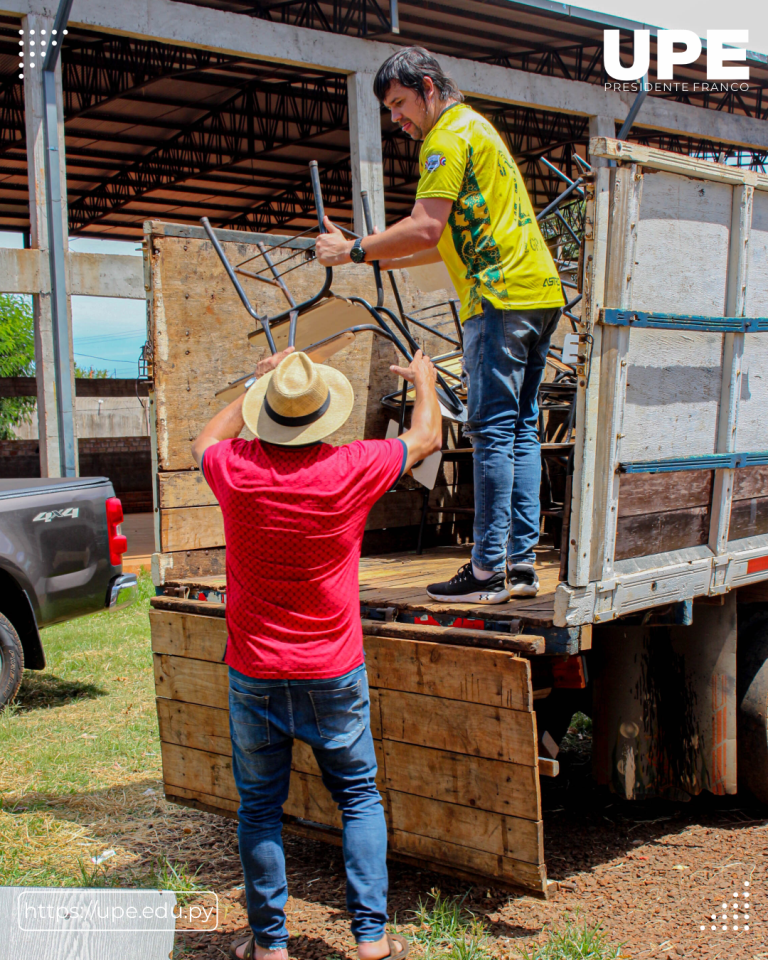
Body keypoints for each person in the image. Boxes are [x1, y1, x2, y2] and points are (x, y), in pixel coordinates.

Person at [191, 346, 441, 960]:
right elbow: (428, 436)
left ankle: (271, 948)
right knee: (358, 798)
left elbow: (203, 439)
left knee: (259, 810)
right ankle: (372, 941)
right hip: (332, 668)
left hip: (254, 669)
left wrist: (257, 384)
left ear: (267, 414)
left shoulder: (236, 469)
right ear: (325, 415)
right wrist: (427, 381)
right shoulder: (352, 467)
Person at [315, 46, 565, 605]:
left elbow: (425, 228)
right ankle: (520, 568)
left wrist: (353, 247)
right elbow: (436, 243)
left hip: (497, 298)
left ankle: (484, 570)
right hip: (537, 293)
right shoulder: (477, 128)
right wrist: (363, 255)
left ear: (429, 87)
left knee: (493, 433)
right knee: (521, 430)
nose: (399, 119)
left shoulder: (445, 138)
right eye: (391, 110)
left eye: (402, 104)